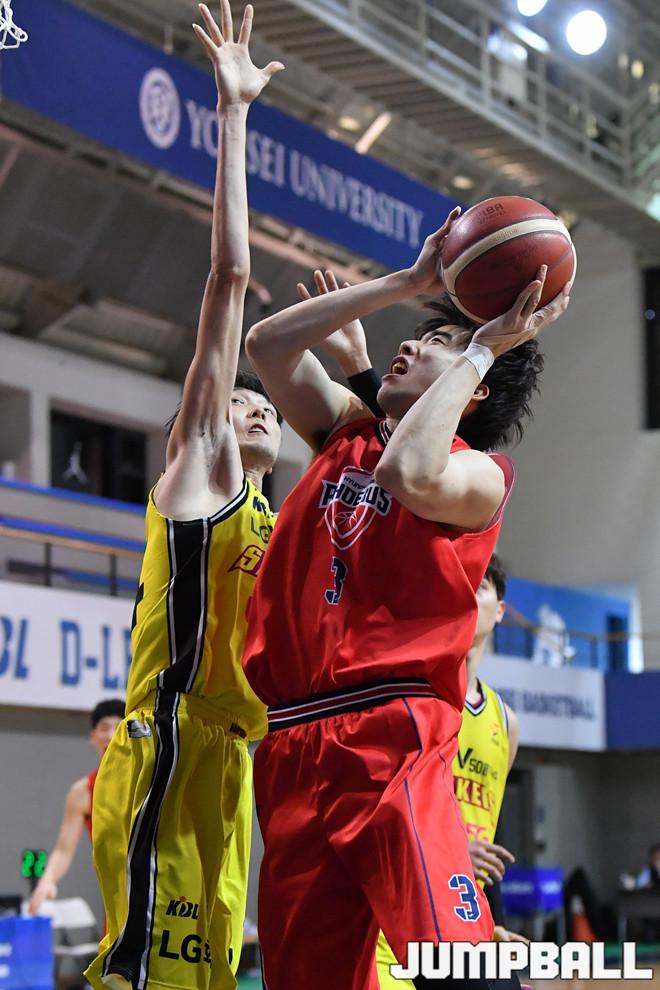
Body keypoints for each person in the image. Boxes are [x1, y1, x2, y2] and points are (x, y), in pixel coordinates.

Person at [243, 211, 570, 990]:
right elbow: (266, 346)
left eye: (441, 342)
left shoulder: (479, 475)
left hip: (391, 736)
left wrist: (485, 344)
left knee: (458, 971)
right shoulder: (343, 434)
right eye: (422, 333)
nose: (415, 343)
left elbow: (410, 473)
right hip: (291, 743)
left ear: (473, 387)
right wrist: (406, 282)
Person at [85, 5, 283, 988]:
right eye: (236, 399)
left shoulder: (285, 523)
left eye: (263, 404)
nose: (253, 405)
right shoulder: (201, 474)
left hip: (232, 765)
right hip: (167, 740)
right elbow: (230, 279)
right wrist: (234, 114)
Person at [27, 699, 124, 916]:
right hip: (116, 896)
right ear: (93, 736)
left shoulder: (150, 782)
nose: (110, 735)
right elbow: (64, 849)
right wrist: (47, 881)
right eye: (104, 728)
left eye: (119, 727)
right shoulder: (83, 792)